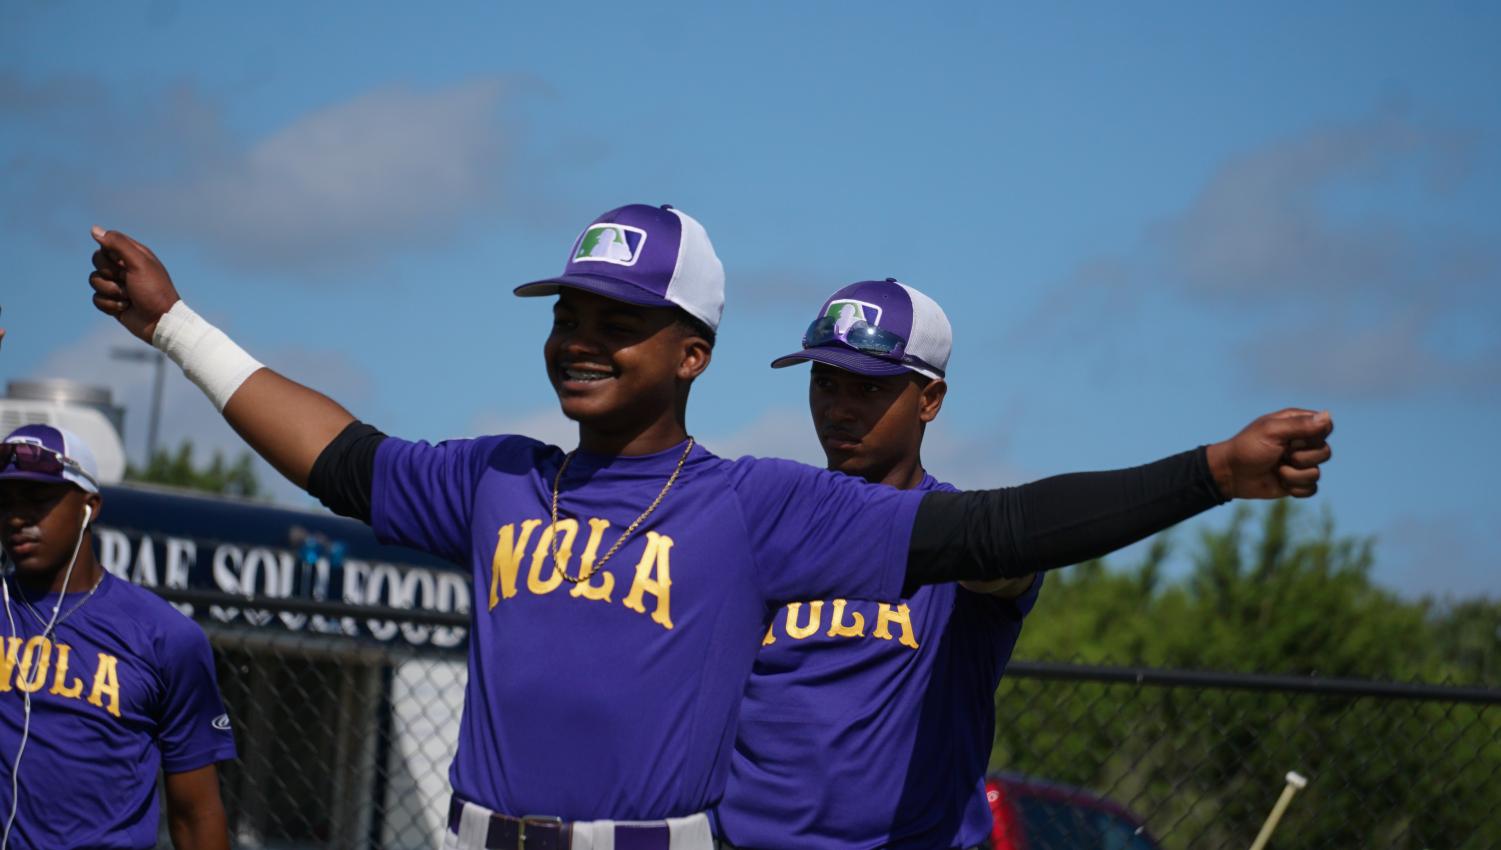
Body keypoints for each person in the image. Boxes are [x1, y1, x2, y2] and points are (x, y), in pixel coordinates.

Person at [85, 204, 1333, 850]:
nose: (580, 336)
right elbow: (340, 455)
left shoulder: (759, 506)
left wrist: (1213, 471)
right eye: (568, 311)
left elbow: (999, 526)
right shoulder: (501, 477)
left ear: (691, 354)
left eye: (614, 319)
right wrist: (178, 325)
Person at [716, 279, 1037, 849]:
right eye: (825, 381)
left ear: (930, 400)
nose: (838, 408)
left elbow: (1010, 568)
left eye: (867, 387)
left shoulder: (961, 535)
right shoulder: (775, 520)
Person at [0, 424, 235, 850]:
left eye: (37, 500)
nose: (16, 517)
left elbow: (196, 814)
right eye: (6, 502)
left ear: (89, 507)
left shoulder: (165, 635)